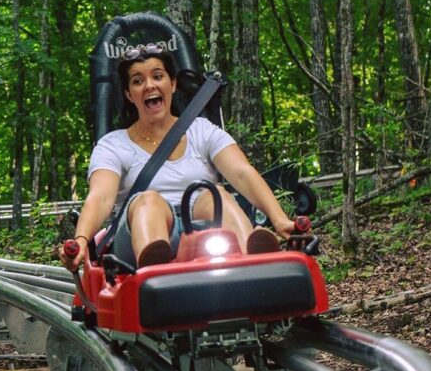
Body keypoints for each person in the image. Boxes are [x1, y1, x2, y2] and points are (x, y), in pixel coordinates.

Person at [58, 44, 297, 272]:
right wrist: (80, 239)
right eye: (138, 81)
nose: (149, 85)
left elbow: (242, 173)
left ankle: (251, 257)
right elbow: (100, 198)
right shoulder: (113, 145)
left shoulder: (202, 130)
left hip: (202, 232)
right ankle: (155, 272)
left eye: (158, 76)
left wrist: (279, 218)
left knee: (215, 195)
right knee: (148, 201)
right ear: (129, 95)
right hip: (138, 234)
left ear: (172, 84)